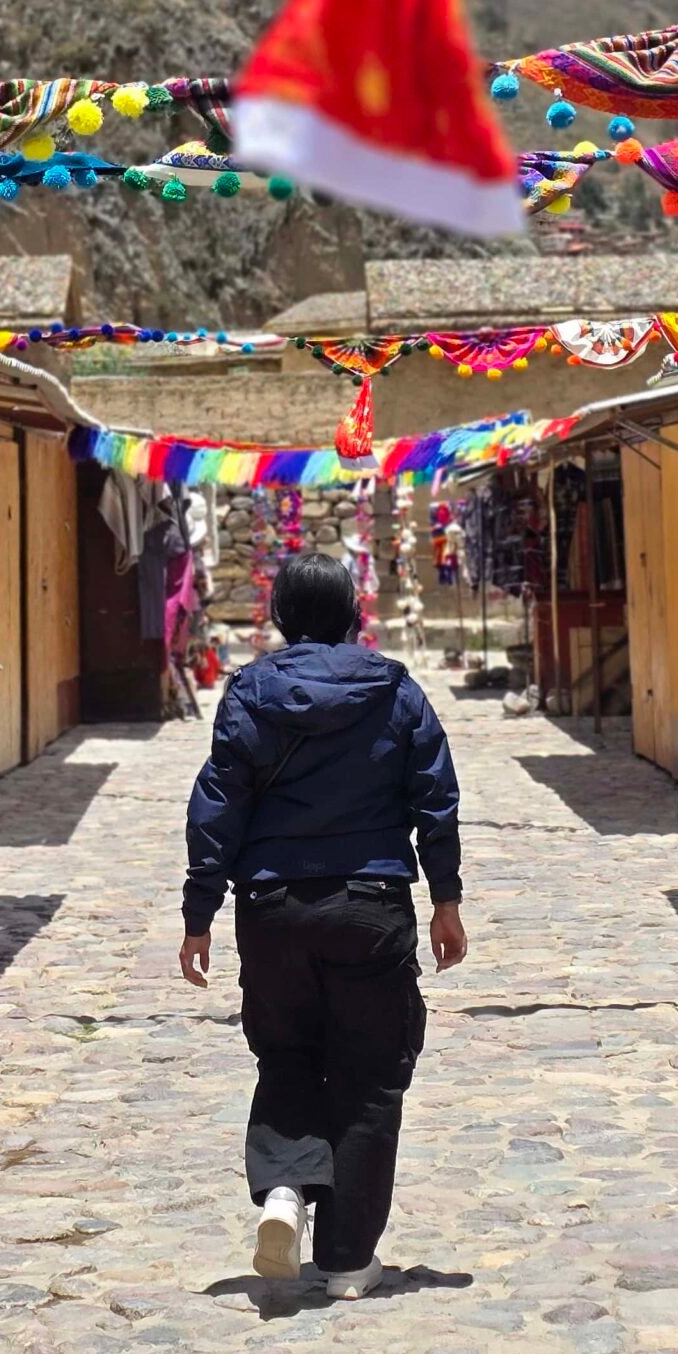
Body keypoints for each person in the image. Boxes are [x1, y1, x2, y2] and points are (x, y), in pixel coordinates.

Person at [180, 552, 466, 1300]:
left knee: (286, 1055)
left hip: (271, 909)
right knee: (371, 1080)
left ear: (279, 617)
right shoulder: (394, 689)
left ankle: (284, 1189)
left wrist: (199, 913)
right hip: (370, 905)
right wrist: (445, 897)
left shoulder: (248, 691)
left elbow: (218, 806)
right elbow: (433, 796)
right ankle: (345, 1260)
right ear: (352, 613)